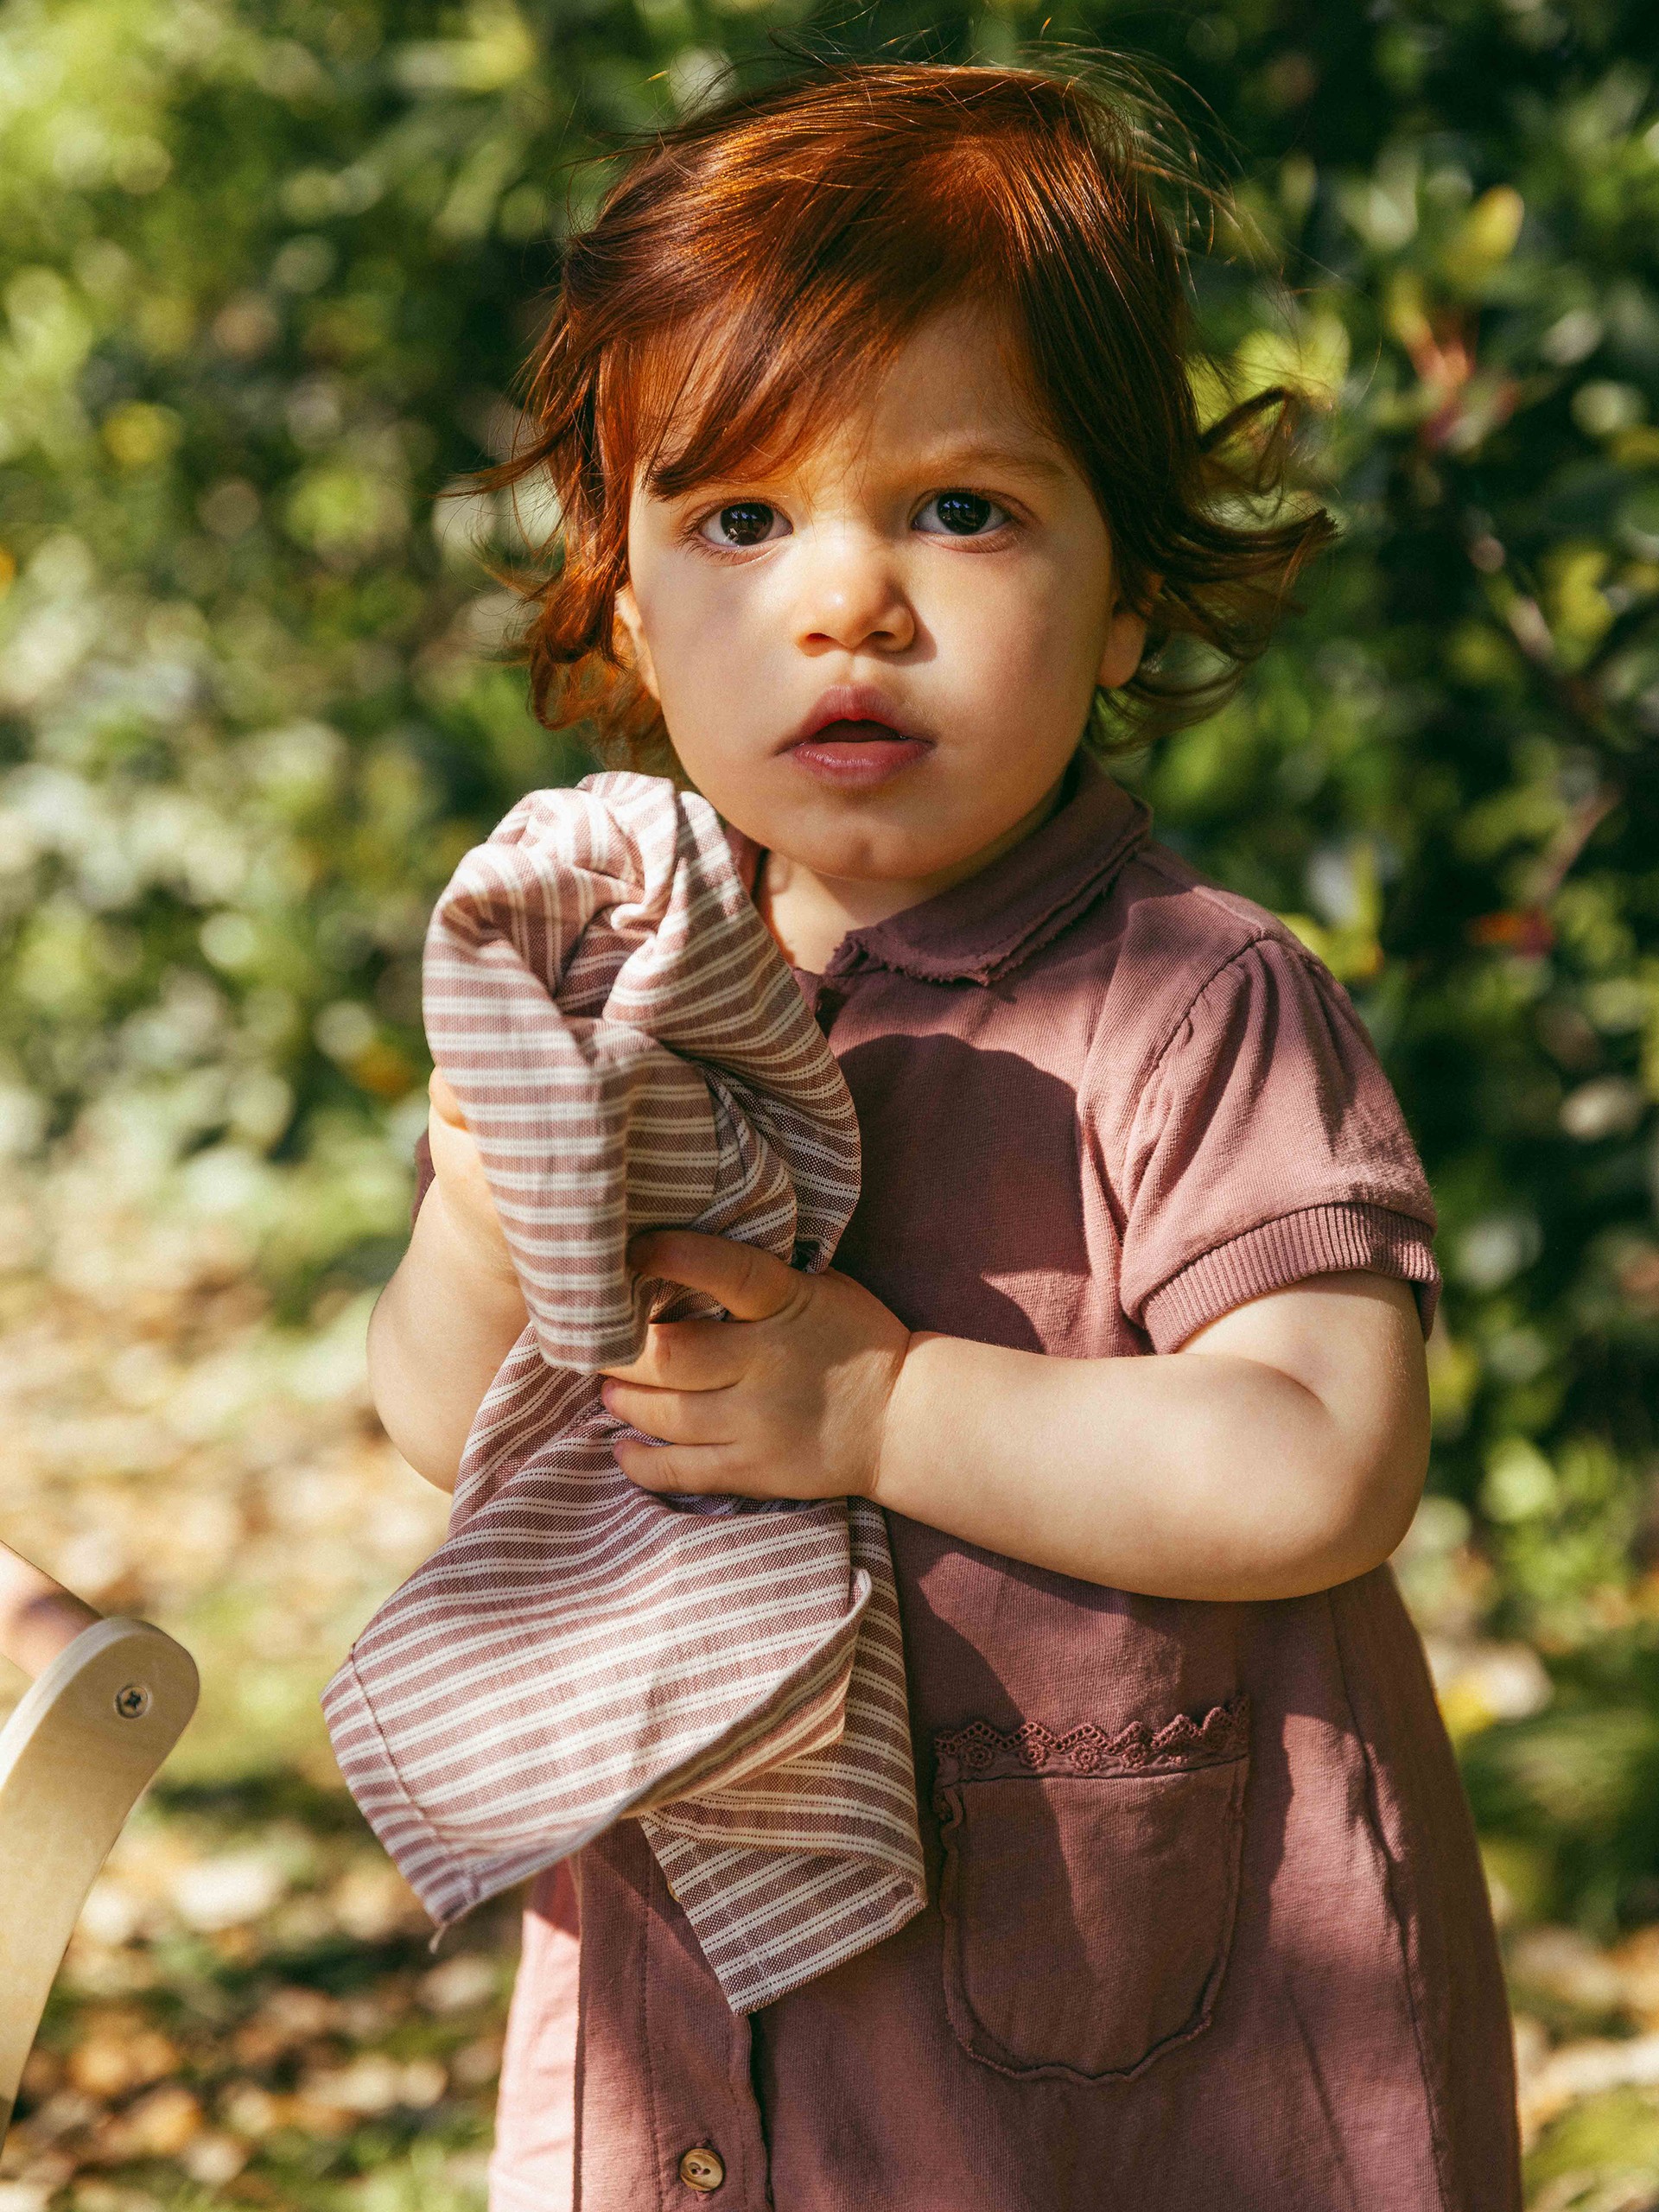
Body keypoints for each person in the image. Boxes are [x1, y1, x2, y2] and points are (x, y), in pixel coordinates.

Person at [367, 60, 1520, 2212]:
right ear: (625, 598)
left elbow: (1320, 1453)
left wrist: (887, 1403)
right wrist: (485, 1181)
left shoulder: (1189, 997)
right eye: (742, 520)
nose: (848, 601)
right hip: (713, 2035)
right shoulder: (627, 981)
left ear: (1131, 592)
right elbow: (454, 1420)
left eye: (962, 511)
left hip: (1128, 2059)